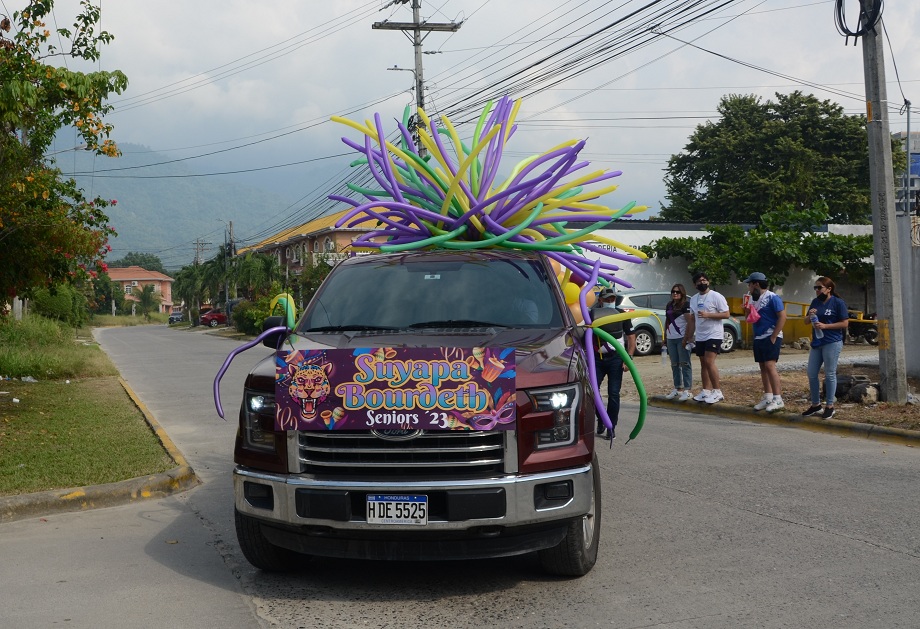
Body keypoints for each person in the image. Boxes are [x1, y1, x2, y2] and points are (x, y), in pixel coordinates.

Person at [590, 286, 636, 440]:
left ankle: (611, 427)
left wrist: (628, 358)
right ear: (600, 300)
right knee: (592, 393)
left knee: (614, 394)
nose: (610, 301)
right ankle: (602, 419)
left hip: (616, 358)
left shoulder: (621, 314)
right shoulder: (592, 314)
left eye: (613, 299)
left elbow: (631, 336)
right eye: (607, 299)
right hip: (597, 359)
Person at [802, 276, 849, 420]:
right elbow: (805, 322)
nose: (817, 291)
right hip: (817, 342)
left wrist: (826, 326)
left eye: (819, 287)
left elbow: (845, 323)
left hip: (832, 342)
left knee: (829, 373)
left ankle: (830, 406)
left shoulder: (838, 303)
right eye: (815, 288)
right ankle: (815, 404)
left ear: (829, 289)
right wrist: (810, 316)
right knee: (811, 373)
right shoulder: (815, 302)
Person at [741, 272, 787, 412]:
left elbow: (782, 317)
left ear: (756, 284)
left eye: (749, 284)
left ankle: (778, 399)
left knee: (770, 365)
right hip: (759, 336)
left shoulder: (773, 297)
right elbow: (749, 318)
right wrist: (747, 311)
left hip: (770, 335)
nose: (748, 287)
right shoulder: (753, 299)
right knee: (763, 367)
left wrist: (774, 335)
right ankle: (768, 396)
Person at [685, 271, 729, 404]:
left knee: (710, 362)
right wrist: (689, 336)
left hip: (714, 334)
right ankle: (706, 391)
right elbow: (692, 319)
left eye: (704, 280)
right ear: (695, 284)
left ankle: (717, 391)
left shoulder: (716, 296)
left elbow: (726, 314)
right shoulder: (693, 299)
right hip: (701, 336)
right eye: (699, 281)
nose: (702, 283)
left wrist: (708, 315)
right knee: (703, 363)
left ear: (708, 282)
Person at [663, 284, 693, 401]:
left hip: (681, 337)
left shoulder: (686, 305)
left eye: (677, 292)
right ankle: (678, 388)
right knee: (674, 364)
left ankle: (687, 389)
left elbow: (689, 321)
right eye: (673, 292)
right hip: (671, 337)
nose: (675, 294)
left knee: (685, 363)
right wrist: (665, 337)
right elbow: (667, 320)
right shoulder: (669, 305)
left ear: (682, 294)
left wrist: (687, 338)